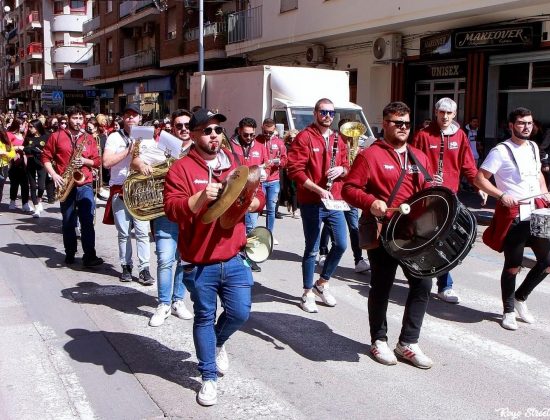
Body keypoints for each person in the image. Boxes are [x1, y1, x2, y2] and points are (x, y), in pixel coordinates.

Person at [163, 108, 265, 406]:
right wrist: (199, 197)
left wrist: (252, 202)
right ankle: (208, 377)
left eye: (218, 130)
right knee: (204, 317)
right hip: (199, 262)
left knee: (240, 313)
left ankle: (217, 343)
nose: (214, 136)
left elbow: (253, 197)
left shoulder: (234, 163)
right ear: (193, 135)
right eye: (207, 131)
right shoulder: (180, 169)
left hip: (234, 257)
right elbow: (172, 210)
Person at [343, 101, 434, 369]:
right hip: (383, 231)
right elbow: (348, 189)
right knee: (382, 285)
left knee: (422, 285)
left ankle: (408, 342)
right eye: (398, 123)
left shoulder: (419, 156)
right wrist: (371, 202)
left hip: (414, 233)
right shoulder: (370, 155)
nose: (404, 127)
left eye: (407, 123)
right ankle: (379, 340)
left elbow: (427, 192)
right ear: (385, 124)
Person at [475, 107, 550, 331]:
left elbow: (538, 175)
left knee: (547, 262)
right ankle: (508, 310)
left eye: (529, 123)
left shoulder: (535, 147)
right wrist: (501, 195)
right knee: (513, 265)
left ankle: (521, 298)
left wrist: (545, 193)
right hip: (514, 214)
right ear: (511, 126)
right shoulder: (500, 151)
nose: (526, 127)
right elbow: (480, 179)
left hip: (536, 210)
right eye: (520, 123)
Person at [412, 97, 484, 304]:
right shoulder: (423, 135)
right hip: (427, 197)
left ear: (454, 114)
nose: (445, 116)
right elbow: (413, 163)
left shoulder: (460, 135)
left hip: (450, 197)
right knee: (428, 239)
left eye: (449, 113)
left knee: (446, 239)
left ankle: (445, 285)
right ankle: (425, 277)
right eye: (441, 112)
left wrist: (479, 186)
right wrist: (426, 177)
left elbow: (468, 165)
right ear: (436, 112)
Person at [131, 109, 194, 327]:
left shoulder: (199, 149)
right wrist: (141, 165)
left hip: (191, 214)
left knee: (184, 259)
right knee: (166, 259)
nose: (184, 129)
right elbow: (136, 161)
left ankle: (178, 301)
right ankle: (164, 303)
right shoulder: (161, 146)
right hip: (165, 212)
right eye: (179, 125)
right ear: (172, 128)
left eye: (187, 125)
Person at [287, 98, 349, 313]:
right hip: (312, 201)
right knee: (312, 249)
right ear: (315, 113)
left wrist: (342, 170)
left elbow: (347, 166)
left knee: (341, 244)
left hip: (334, 201)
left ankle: (322, 283)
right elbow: (294, 170)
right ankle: (307, 292)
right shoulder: (304, 137)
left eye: (331, 113)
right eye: (323, 112)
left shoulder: (338, 139)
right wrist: (317, 189)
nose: (328, 116)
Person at [42, 106, 104, 267]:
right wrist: (54, 175)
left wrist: (85, 161)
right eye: (74, 118)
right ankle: (70, 252)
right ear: (68, 118)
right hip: (65, 183)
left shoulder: (89, 138)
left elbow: (98, 161)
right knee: (68, 221)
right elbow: (46, 157)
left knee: (87, 220)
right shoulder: (56, 136)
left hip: (85, 183)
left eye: (80, 118)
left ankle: (89, 255)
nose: (78, 121)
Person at [102, 103, 153, 285]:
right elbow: (106, 162)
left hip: (141, 190)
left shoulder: (147, 137)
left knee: (142, 232)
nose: (131, 118)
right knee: (123, 232)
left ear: (140, 118)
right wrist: (127, 151)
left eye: (134, 115)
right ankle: (125, 266)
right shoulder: (114, 137)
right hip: (120, 189)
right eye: (128, 115)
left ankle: (145, 268)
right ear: (123, 118)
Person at [319, 118, 370, 274]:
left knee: (354, 227)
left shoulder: (358, 149)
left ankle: (358, 260)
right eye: (347, 131)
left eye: (353, 132)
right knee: (329, 225)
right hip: (336, 191)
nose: (350, 135)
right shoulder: (334, 145)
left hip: (351, 193)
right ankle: (323, 252)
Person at [228, 117, 270, 272]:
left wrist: (265, 172)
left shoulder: (259, 146)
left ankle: (249, 257)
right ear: (239, 131)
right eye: (246, 135)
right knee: (234, 225)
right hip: (234, 192)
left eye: (252, 135)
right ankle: (235, 255)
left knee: (251, 226)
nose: (249, 138)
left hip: (253, 193)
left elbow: (267, 164)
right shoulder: (230, 146)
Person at [256, 118, 287, 244]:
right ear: (262, 128)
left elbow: (285, 159)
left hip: (274, 180)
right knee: (256, 208)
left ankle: (269, 234)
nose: (268, 135)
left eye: (270, 132)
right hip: (259, 181)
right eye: (265, 132)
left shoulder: (279, 142)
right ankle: (252, 232)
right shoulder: (256, 140)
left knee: (271, 209)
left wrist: (279, 162)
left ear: (274, 130)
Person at [23, 119, 49, 217]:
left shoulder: (45, 136)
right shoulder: (28, 137)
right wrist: (26, 158)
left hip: (42, 163)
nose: (29, 129)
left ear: (37, 127)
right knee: (33, 186)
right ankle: (36, 206)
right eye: (29, 127)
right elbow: (24, 149)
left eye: (31, 127)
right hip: (31, 163)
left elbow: (49, 150)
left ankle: (39, 199)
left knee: (41, 186)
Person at [6, 118, 30, 212]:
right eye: (24, 124)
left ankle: (25, 203)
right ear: (19, 125)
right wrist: (17, 147)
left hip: (24, 162)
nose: (25, 126)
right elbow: (7, 147)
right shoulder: (10, 134)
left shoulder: (24, 135)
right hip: (14, 162)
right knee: (14, 183)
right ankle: (12, 201)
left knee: (25, 184)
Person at [0, 128, 16, 205]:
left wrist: (5, 153)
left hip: (4, 166)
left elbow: (13, 154)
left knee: (0, 187)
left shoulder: (6, 142)